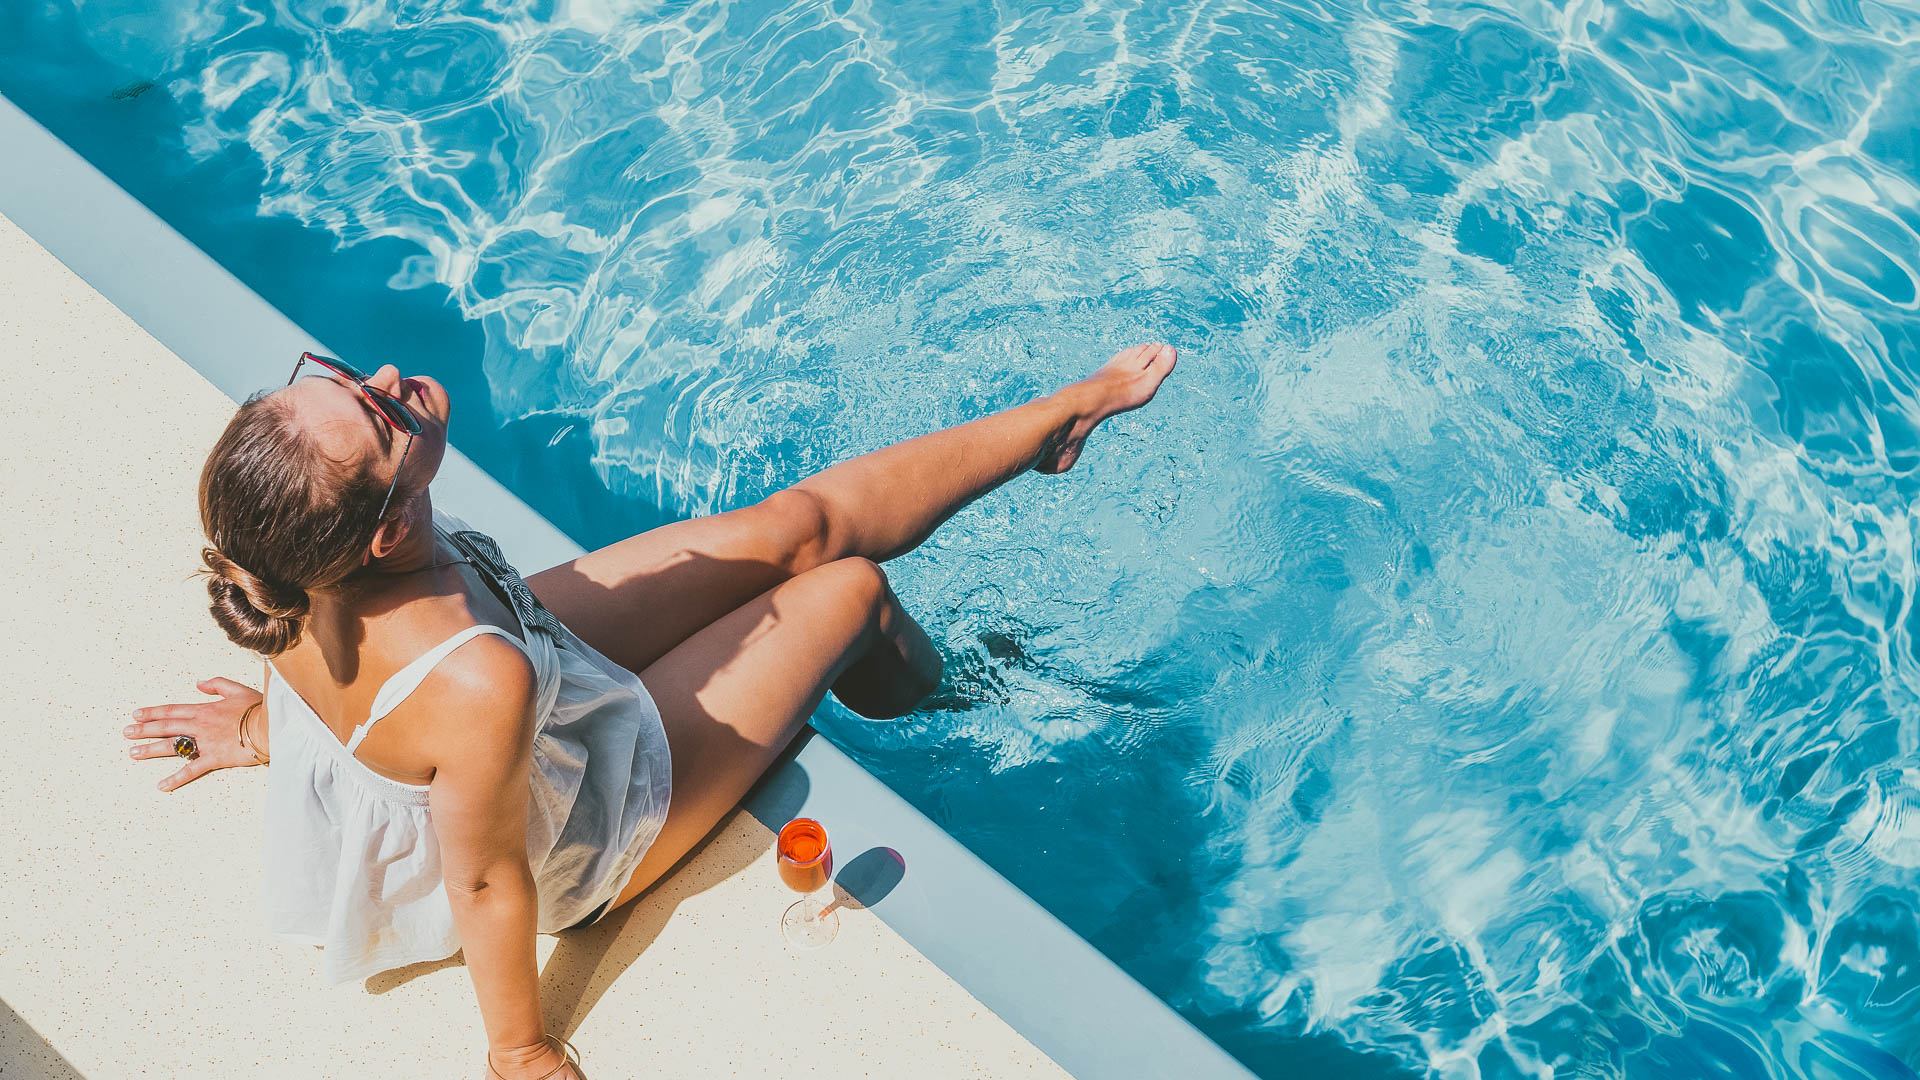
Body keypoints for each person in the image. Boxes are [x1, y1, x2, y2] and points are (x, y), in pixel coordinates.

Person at [125, 342, 1177, 1078]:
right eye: (380, 414)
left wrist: (268, 733)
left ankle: (1053, 418)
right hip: (581, 831)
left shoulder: (282, 560)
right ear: (389, 537)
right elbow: (487, 879)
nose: (389, 380)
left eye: (344, 381)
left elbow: (321, 682)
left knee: (794, 526)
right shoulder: (471, 682)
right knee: (847, 590)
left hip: (528, 674)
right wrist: (520, 1051)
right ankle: (951, 705)